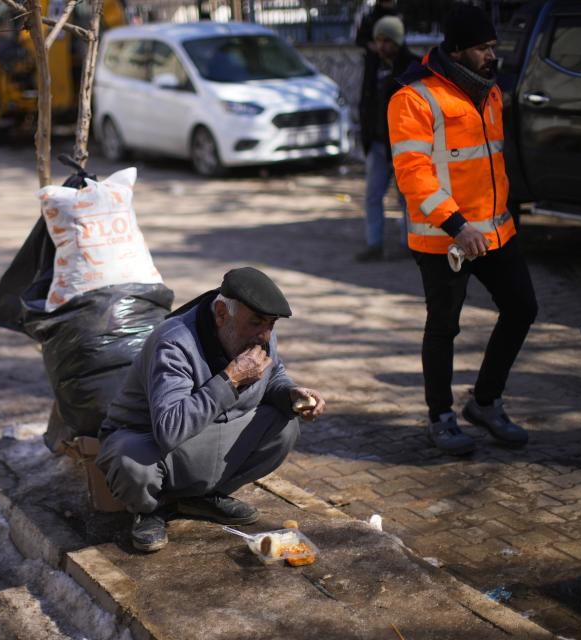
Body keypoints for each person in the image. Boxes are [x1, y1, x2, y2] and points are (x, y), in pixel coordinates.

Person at [388, 4, 537, 455]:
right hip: (444, 238)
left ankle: (486, 403)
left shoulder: (488, 92)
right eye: (482, 48)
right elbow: (413, 174)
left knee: (522, 308)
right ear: (456, 51)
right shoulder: (414, 98)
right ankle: (441, 417)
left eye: (493, 46)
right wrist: (456, 224)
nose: (492, 55)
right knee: (443, 328)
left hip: (494, 232)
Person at [96, 267, 326, 551]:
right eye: (256, 323)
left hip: (206, 436)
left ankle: (202, 497)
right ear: (221, 313)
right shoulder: (174, 342)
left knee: (284, 423)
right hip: (151, 440)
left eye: (272, 324)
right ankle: (149, 509)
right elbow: (169, 429)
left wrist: (291, 393)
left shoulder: (261, 336)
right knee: (129, 459)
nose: (265, 335)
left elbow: (273, 376)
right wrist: (230, 380)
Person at [355, 15, 419, 262]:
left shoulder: (411, 65)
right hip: (379, 144)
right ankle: (375, 245)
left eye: (387, 40)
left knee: (407, 197)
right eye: (378, 40)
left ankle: (410, 244)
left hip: (404, 144)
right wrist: (368, 139)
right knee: (373, 195)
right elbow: (366, 103)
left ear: (398, 41)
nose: (381, 45)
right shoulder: (372, 65)